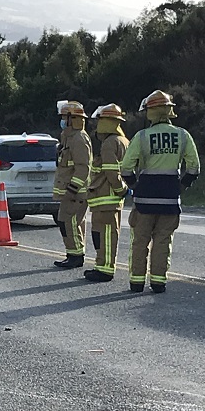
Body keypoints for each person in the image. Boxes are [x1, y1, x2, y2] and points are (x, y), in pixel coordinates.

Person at [122, 90, 201, 293]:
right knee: (163, 241)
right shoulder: (183, 136)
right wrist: (181, 186)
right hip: (170, 199)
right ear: (168, 111)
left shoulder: (142, 137)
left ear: (150, 112)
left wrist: (134, 186)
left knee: (140, 241)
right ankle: (158, 282)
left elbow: (126, 168)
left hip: (144, 200)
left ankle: (137, 282)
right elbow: (194, 168)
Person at [83, 104, 130, 282]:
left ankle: (106, 269)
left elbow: (111, 172)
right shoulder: (123, 141)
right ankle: (100, 265)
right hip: (103, 199)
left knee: (107, 235)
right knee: (101, 234)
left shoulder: (110, 143)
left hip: (106, 198)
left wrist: (121, 190)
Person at [52, 100, 92, 269]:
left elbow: (83, 168)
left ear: (71, 119)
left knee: (71, 223)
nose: (61, 120)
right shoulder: (68, 137)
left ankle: (76, 256)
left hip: (76, 193)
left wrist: (72, 189)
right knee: (64, 222)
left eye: (63, 117)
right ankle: (72, 253)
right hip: (68, 192)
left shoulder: (79, 138)